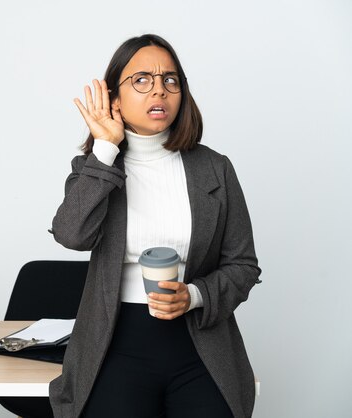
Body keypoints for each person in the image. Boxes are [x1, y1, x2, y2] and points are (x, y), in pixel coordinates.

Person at [48, 34, 262, 418]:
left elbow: (243, 266)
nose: (159, 91)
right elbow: (71, 235)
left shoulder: (215, 168)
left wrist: (194, 295)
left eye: (170, 80)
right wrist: (105, 149)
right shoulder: (94, 168)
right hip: (115, 344)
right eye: (142, 80)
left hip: (200, 344)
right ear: (115, 98)